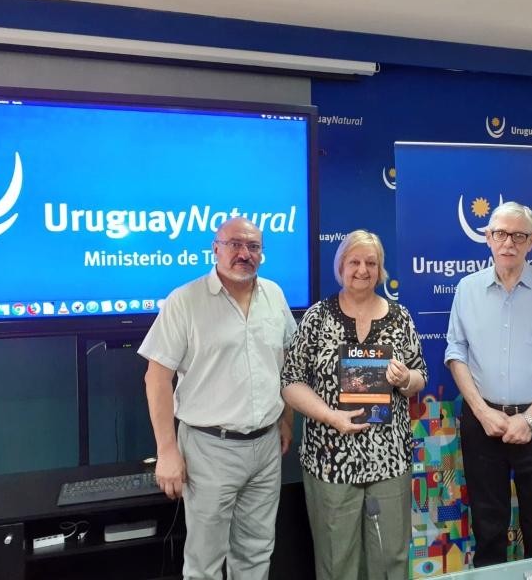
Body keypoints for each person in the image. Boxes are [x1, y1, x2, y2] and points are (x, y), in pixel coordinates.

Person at [139, 217, 296, 580]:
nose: (244, 254)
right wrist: (166, 452)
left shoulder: (275, 295)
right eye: (234, 244)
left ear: (262, 253)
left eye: (253, 247)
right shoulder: (185, 300)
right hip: (209, 448)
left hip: (266, 448)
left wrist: (286, 420)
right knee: (205, 563)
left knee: (256, 553)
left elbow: (286, 363)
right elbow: (157, 378)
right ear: (215, 248)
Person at [281, 230, 427, 580]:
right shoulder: (317, 318)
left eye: (371, 263)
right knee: (337, 561)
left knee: (390, 559)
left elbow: (420, 376)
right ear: (341, 266)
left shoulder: (400, 317)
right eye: (354, 262)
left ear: (380, 270)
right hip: (330, 459)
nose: (362, 270)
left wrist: (405, 379)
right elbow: (290, 383)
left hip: (389, 460)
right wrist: (331, 416)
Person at [445, 201, 532, 566]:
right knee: (488, 531)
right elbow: (455, 353)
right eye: (500, 234)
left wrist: (531, 419)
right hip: (482, 423)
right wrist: (481, 411)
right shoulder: (467, 289)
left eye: (518, 236)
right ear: (487, 238)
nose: (509, 243)